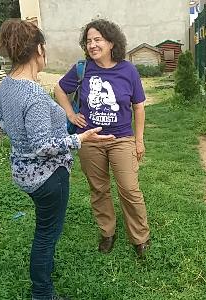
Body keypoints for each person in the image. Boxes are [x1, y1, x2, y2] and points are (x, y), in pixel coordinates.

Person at [0, 19, 114, 300]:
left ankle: (43, 280)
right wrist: (80, 139)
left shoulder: (7, 85)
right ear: (38, 49)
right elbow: (43, 146)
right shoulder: (34, 95)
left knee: (44, 228)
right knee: (46, 236)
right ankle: (43, 294)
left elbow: (2, 124)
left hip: (23, 174)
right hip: (47, 177)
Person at [54, 19, 150, 258]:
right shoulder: (82, 69)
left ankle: (139, 237)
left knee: (129, 189)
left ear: (111, 42)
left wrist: (139, 141)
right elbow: (59, 89)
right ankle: (107, 232)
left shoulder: (128, 70)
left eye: (98, 40)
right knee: (98, 189)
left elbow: (139, 107)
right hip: (90, 140)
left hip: (121, 139)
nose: (92, 45)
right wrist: (71, 114)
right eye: (88, 41)